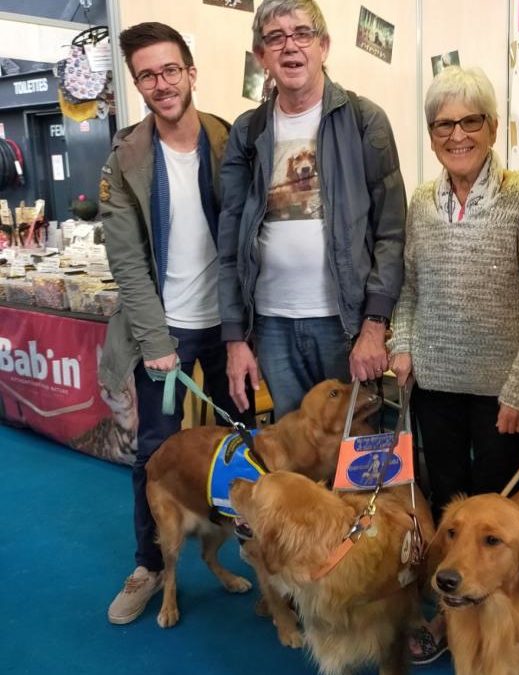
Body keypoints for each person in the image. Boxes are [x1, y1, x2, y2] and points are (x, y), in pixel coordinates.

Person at [387, 65, 519, 664]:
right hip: (434, 384)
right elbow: (408, 288)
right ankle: (452, 620)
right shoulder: (423, 203)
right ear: (431, 135)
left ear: (492, 126)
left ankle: (508, 629)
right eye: (443, 124)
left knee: (499, 520)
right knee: (449, 512)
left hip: (502, 393)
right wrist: (402, 345)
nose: (457, 135)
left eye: (470, 121)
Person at [100, 21, 253, 625]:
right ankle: (150, 565)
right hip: (163, 332)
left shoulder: (232, 139)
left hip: (231, 326)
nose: (161, 84)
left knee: (241, 440)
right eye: (147, 75)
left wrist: (246, 327)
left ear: (191, 72)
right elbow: (128, 263)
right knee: (155, 454)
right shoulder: (127, 157)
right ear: (137, 84)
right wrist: (157, 343)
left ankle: (256, 551)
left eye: (170, 70)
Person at [218, 0, 406, 419]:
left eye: (302, 34)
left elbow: (391, 233)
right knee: (294, 456)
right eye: (275, 38)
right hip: (271, 326)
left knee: (356, 456)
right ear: (260, 56)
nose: (290, 47)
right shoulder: (248, 132)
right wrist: (235, 338)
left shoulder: (365, 120)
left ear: (324, 45)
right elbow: (229, 243)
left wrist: (375, 325)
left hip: (345, 325)